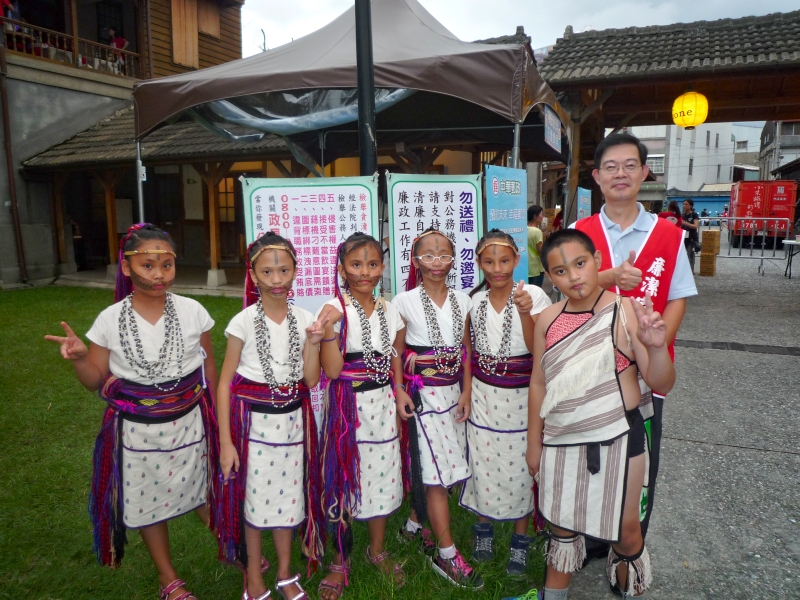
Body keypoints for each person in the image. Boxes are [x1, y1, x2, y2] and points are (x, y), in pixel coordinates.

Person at [45, 223, 219, 600]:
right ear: (126, 268)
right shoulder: (110, 321)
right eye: (148, 265)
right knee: (148, 499)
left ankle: (230, 545)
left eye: (167, 265)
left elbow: (209, 369)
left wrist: (217, 414)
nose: (159, 275)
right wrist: (78, 358)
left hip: (191, 421)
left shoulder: (193, 311)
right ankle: (168, 578)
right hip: (138, 429)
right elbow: (95, 379)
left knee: (204, 488)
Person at [526, 228, 676, 600]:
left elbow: (662, 382)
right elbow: (539, 385)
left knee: (626, 532)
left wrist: (657, 349)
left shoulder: (626, 311)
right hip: (561, 440)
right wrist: (534, 443)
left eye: (580, 263)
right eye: (561, 271)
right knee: (561, 529)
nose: (574, 276)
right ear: (549, 277)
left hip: (621, 438)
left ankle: (628, 588)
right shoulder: (546, 318)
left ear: (597, 262)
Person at [573, 132, 696, 557]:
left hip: (644, 373)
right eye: (610, 166)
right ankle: (590, 537)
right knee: (589, 456)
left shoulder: (670, 236)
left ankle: (629, 546)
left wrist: (656, 348)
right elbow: (568, 294)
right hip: (591, 370)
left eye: (630, 165)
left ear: (645, 172)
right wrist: (606, 279)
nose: (620, 174)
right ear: (596, 177)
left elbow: (678, 295)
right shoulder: (580, 232)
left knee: (639, 461)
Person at [215, 232, 326, 600]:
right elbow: (225, 382)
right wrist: (226, 442)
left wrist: (313, 342)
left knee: (289, 497)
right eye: (268, 272)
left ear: (296, 270)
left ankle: (284, 573)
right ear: (254, 274)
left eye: (284, 270)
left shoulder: (306, 318)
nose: (277, 280)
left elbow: (310, 379)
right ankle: (254, 576)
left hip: (293, 423)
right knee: (254, 499)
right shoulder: (243, 322)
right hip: (252, 425)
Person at [313, 232, 406, 600]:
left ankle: (376, 547)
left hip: (382, 403)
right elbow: (333, 371)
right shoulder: (333, 308)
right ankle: (340, 557)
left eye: (372, 264)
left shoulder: (389, 309)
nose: (364, 272)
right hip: (347, 408)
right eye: (355, 264)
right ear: (341, 268)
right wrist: (330, 330)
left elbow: (395, 355)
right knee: (344, 476)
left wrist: (398, 389)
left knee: (382, 470)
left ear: (382, 267)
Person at [392, 228, 483, 590]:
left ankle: (415, 522)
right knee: (434, 474)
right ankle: (447, 555)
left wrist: (467, 391)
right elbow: (397, 351)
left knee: (445, 466)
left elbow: (466, 350)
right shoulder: (404, 301)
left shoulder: (464, 301)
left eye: (443, 255)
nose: (435, 262)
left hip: (452, 397)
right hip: (423, 397)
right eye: (427, 255)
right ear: (415, 261)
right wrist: (399, 388)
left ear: (453, 259)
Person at [459, 229, 551, 576]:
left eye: (505, 260)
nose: (497, 268)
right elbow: (469, 352)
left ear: (517, 260)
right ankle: (483, 530)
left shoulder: (534, 295)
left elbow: (534, 347)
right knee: (483, 460)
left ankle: (520, 537)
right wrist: (467, 391)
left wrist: (527, 312)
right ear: (480, 264)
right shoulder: (474, 301)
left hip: (521, 396)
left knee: (521, 465)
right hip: (484, 393)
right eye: (489, 261)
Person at [527, 205, 546, 287]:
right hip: (536, 268)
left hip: (527, 267)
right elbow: (540, 250)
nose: (543, 216)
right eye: (541, 214)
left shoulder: (523, 229)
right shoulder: (537, 231)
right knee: (536, 294)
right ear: (535, 216)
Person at [682, 199, 700, 274]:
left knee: (690, 254)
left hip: (692, 237)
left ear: (691, 206)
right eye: (684, 204)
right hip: (683, 237)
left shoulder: (694, 214)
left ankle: (691, 270)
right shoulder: (682, 215)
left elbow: (695, 226)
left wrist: (685, 223)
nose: (684, 206)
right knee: (682, 255)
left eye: (686, 204)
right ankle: (683, 270)